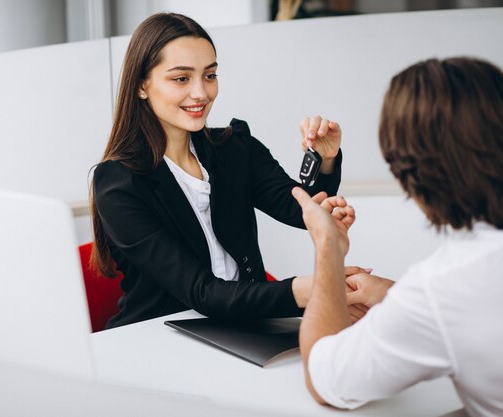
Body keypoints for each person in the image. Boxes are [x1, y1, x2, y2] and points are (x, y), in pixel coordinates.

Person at [89, 12, 375, 329]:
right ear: (142, 85)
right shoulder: (118, 184)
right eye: (181, 78)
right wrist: (315, 290)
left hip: (242, 323)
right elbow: (203, 293)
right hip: (162, 335)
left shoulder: (235, 147)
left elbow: (300, 209)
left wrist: (326, 159)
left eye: (210, 75)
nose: (201, 93)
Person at [295, 57, 503, 417]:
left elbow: (324, 377)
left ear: (410, 171)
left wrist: (328, 247)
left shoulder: (444, 288)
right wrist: (395, 295)